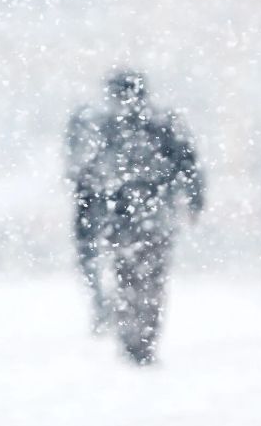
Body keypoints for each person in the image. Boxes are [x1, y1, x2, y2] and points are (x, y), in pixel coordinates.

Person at [64, 69, 205, 364]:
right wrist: (192, 200)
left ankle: (134, 338)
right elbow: (188, 164)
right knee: (149, 280)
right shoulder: (162, 123)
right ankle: (142, 338)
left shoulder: (106, 127)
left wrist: (93, 210)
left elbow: (87, 175)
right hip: (154, 217)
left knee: (129, 277)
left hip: (124, 219)